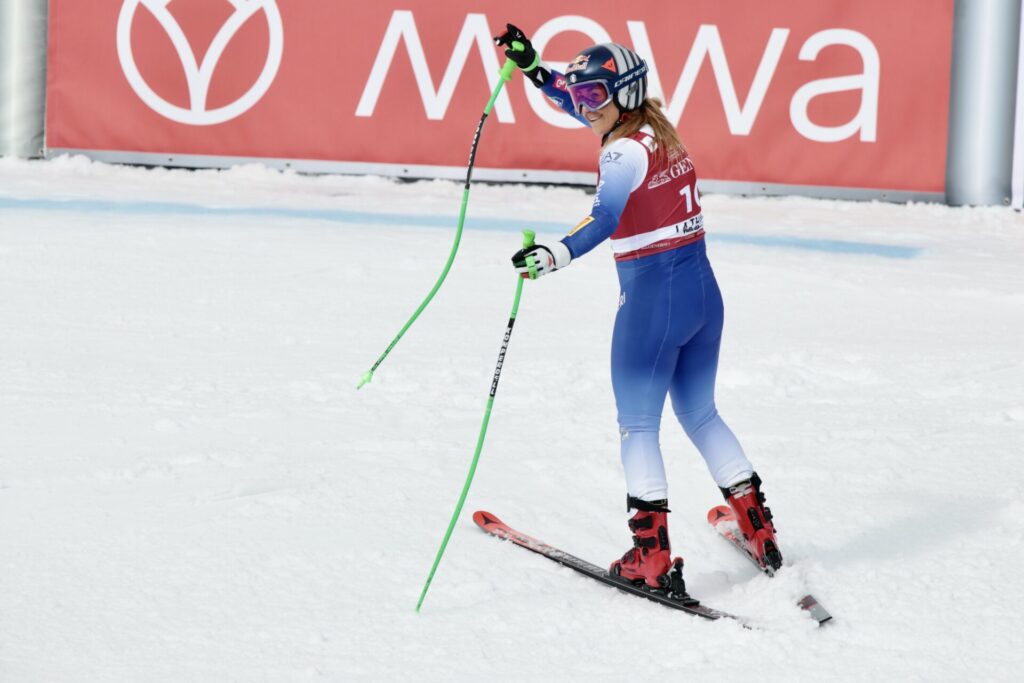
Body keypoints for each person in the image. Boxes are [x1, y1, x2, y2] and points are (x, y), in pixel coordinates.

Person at [495, 24, 782, 591]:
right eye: (580, 97)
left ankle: (650, 558)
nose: (582, 107)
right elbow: (571, 92)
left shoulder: (621, 151)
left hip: (652, 302)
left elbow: (603, 218)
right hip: (703, 295)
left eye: (592, 97)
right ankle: (758, 528)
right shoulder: (653, 129)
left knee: (638, 426)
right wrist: (533, 68)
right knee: (700, 413)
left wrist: (553, 254)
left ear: (621, 95)